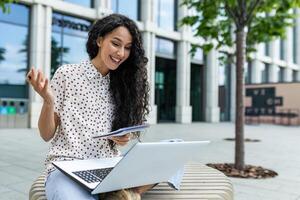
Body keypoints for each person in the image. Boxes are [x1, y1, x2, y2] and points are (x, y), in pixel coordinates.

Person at [27, 14, 152, 200]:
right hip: (67, 169)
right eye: (116, 44)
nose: (121, 53)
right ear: (100, 40)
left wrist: (122, 137)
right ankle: (121, 193)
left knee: (173, 155)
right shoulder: (67, 74)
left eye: (127, 48)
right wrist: (48, 101)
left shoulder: (122, 85)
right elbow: (46, 134)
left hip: (109, 167)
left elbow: (119, 132)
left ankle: (119, 191)